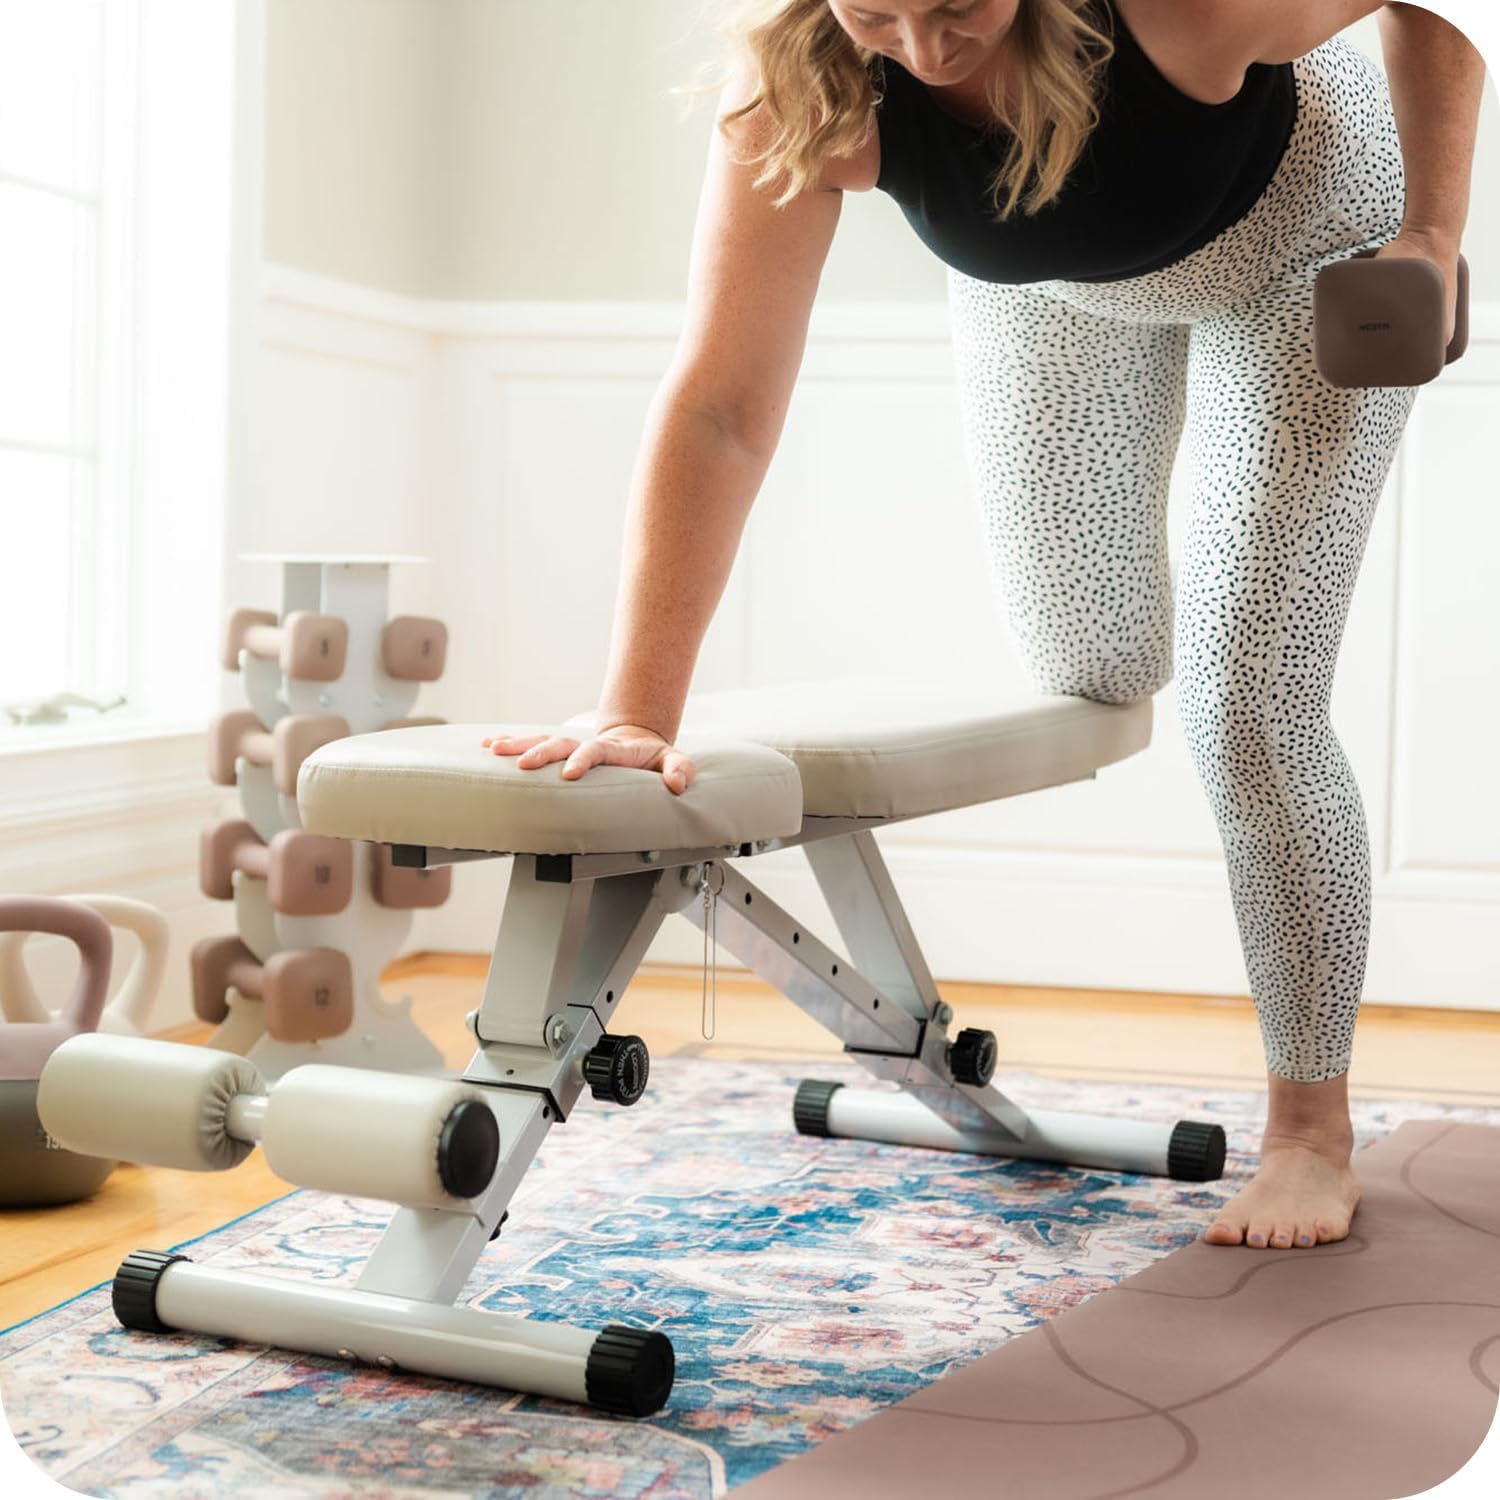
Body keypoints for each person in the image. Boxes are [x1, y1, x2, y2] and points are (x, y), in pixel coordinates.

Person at [480, 0, 1486, 1252]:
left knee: (1247, 698)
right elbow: (724, 405)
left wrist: (1434, 234)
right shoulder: (804, 85)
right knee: (1096, 665)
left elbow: (1434, 20)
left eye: (957, 3)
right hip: (1053, 282)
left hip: (1304, 250)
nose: (925, 43)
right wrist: (636, 710)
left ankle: (1307, 1131)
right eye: (880, 7)